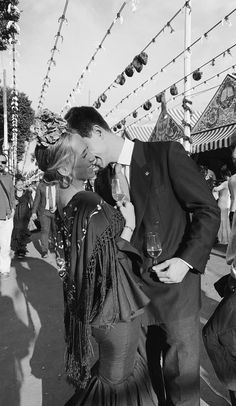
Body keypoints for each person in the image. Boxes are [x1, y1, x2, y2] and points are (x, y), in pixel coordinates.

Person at [65, 106, 221, 406]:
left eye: (83, 148)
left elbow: (207, 210)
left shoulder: (165, 154)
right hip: (131, 299)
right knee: (144, 386)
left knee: (183, 387)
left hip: (176, 292)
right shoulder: (102, 181)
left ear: (98, 132)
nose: (84, 157)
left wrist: (185, 261)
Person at [33, 109, 158, 406]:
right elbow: (109, 263)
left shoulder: (67, 201)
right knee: (117, 388)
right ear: (64, 170)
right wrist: (127, 225)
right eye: (84, 153)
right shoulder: (89, 203)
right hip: (114, 311)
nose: (92, 157)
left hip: (99, 313)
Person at [30, 175, 57, 258]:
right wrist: (34, 212)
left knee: (55, 229)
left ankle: (54, 244)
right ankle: (44, 250)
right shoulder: (41, 186)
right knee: (45, 230)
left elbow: (60, 198)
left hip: (55, 212)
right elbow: (37, 199)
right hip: (44, 212)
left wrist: (56, 207)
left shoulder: (57, 185)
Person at [0, 153, 15, 276]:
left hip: (6, 217)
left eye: (3, 162)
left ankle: (4, 269)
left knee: (5, 246)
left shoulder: (8, 177)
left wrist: (12, 210)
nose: (1, 164)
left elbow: (11, 195)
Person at [11, 177, 32, 257]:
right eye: (18, 184)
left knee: (23, 231)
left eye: (21, 184)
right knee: (16, 231)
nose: (20, 186)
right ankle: (18, 249)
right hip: (15, 216)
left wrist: (33, 213)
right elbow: (9, 204)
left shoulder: (27, 193)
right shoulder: (12, 194)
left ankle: (22, 249)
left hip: (25, 216)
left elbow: (31, 203)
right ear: (15, 185)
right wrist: (13, 203)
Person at [212, 167, 231, 244]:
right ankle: (225, 239)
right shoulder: (232, 182)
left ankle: (220, 238)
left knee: (220, 221)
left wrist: (212, 186)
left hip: (222, 202)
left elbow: (216, 189)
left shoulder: (225, 183)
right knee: (225, 221)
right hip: (228, 203)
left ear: (225, 175)